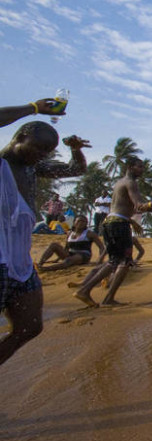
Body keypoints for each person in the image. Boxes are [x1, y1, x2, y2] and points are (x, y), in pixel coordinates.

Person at [1, 120, 89, 366]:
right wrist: (33, 107)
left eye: (47, 152)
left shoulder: (32, 167)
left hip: (20, 259)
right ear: (20, 137)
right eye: (38, 148)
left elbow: (76, 169)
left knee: (30, 326)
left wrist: (75, 150)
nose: (41, 155)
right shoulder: (3, 162)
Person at [74, 157, 147, 307]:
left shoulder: (120, 182)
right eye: (139, 166)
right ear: (130, 167)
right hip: (119, 224)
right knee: (124, 262)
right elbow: (140, 205)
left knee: (114, 261)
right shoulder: (130, 182)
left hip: (111, 222)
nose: (142, 170)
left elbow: (120, 207)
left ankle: (86, 290)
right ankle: (106, 297)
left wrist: (131, 220)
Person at [37, 214, 104, 272]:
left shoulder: (89, 234)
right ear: (74, 222)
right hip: (70, 253)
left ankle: (46, 269)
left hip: (83, 255)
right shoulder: (70, 233)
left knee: (68, 260)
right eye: (79, 221)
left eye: (83, 222)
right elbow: (67, 247)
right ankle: (40, 263)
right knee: (54, 245)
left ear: (86, 224)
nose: (81, 223)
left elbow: (101, 247)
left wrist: (100, 259)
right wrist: (57, 259)